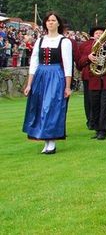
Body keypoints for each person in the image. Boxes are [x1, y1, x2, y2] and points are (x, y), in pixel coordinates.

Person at [22, 12, 73, 154]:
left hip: (56, 75)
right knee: (39, 107)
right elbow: (34, 63)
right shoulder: (40, 41)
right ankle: (46, 141)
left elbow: (68, 66)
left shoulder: (64, 41)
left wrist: (68, 86)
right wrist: (29, 84)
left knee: (50, 107)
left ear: (58, 23)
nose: (50, 22)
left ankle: (52, 142)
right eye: (48, 20)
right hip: (40, 76)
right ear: (45, 23)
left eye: (53, 20)